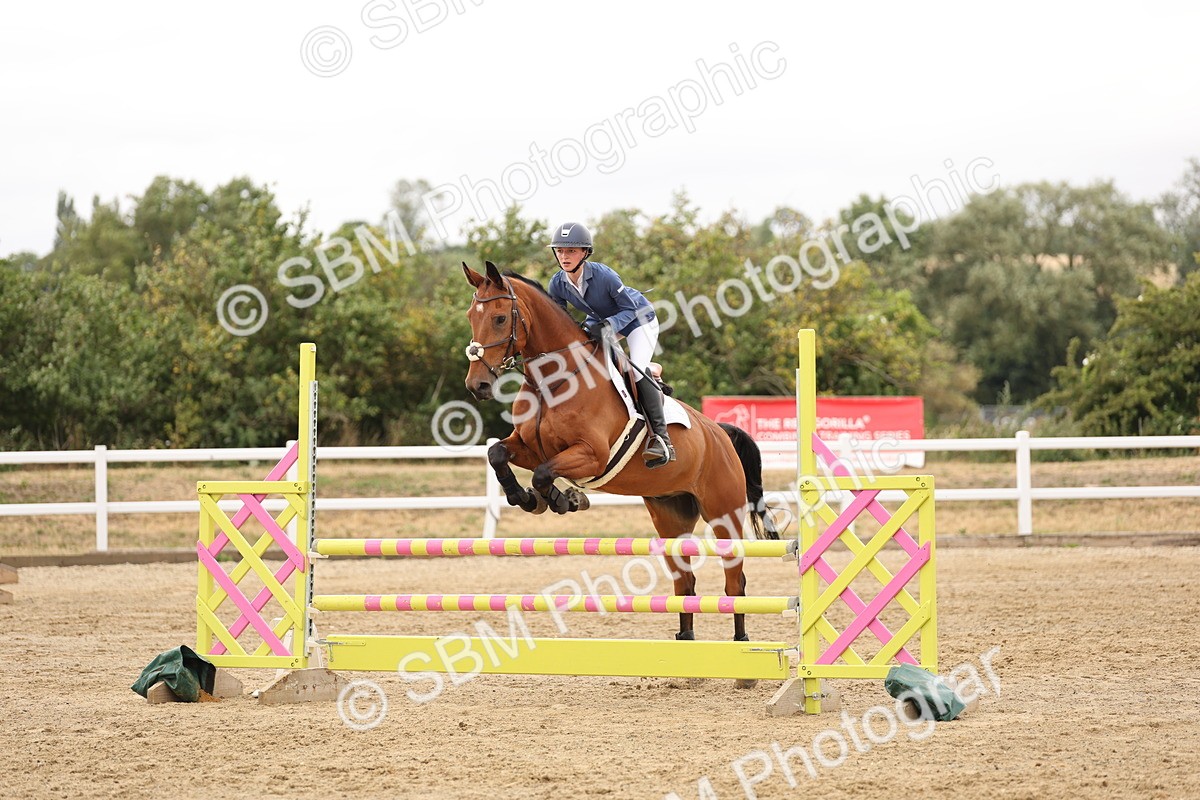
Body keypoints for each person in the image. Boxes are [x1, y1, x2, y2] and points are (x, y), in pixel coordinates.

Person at [545, 221, 676, 468]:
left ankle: (661, 439)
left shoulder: (604, 276)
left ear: (585, 253)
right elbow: (560, 320)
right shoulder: (557, 283)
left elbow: (630, 309)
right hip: (601, 323)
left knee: (635, 371)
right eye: (560, 251)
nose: (564, 256)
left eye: (571, 251)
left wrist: (608, 325)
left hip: (638, 320)